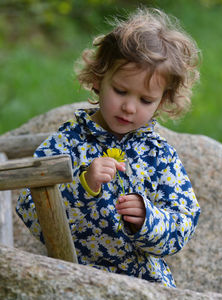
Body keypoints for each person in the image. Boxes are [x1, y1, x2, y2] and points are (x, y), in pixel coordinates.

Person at [16, 7, 201, 288]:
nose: (129, 107)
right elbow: (30, 209)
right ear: (98, 79)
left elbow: (183, 222)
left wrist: (148, 219)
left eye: (145, 100)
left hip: (144, 280)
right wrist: (83, 186)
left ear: (162, 102)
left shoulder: (159, 155)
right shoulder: (68, 142)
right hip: (74, 276)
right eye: (121, 91)